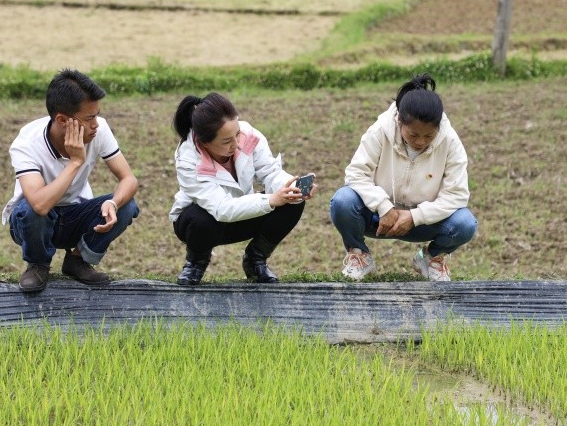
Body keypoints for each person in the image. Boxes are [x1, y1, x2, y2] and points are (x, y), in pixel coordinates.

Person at [2, 69, 140, 292]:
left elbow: (129, 179)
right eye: (89, 118)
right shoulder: (27, 143)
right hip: (31, 223)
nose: (96, 124)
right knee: (31, 210)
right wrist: (75, 162)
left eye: (96, 115)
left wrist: (113, 203)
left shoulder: (98, 130)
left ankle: (77, 259)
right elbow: (39, 204)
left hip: (75, 216)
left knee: (127, 205)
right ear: (62, 120)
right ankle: (37, 264)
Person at [330, 73, 477, 281]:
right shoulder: (380, 131)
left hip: (423, 222)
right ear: (399, 120)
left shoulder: (450, 142)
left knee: (465, 223)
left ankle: (432, 258)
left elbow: (457, 196)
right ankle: (359, 255)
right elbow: (355, 174)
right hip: (378, 218)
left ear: (438, 127)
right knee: (343, 200)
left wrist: (415, 216)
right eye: (413, 134)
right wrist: (384, 206)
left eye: (428, 136)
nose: (420, 142)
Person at [169, 93, 316, 285]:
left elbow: (270, 172)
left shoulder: (248, 134)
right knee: (202, 218)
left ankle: (255, 260)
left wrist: (292, 186)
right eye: (226, 141)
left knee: (292, 201)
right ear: (204, 142)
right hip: (202, 225)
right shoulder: (188, 159)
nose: (237, 143)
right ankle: (196, 262)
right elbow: (221, 208)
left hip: (242, 213)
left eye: (237, 134)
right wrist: (271, 200)